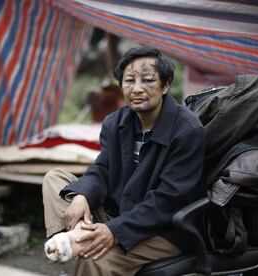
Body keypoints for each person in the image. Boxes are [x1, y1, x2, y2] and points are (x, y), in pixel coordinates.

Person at [42, 46, 206, 275]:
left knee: (95, 259)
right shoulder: (116, 122)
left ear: (166, 85)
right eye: (129, 80)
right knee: (56, 179)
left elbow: (169, 200)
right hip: (119, 211)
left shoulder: (187, 130)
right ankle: (80, 234)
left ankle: (80, 241)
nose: (137, 88)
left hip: (164, 229)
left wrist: (115, 230)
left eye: (148, 80)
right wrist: (83, 196)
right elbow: (102, 168)